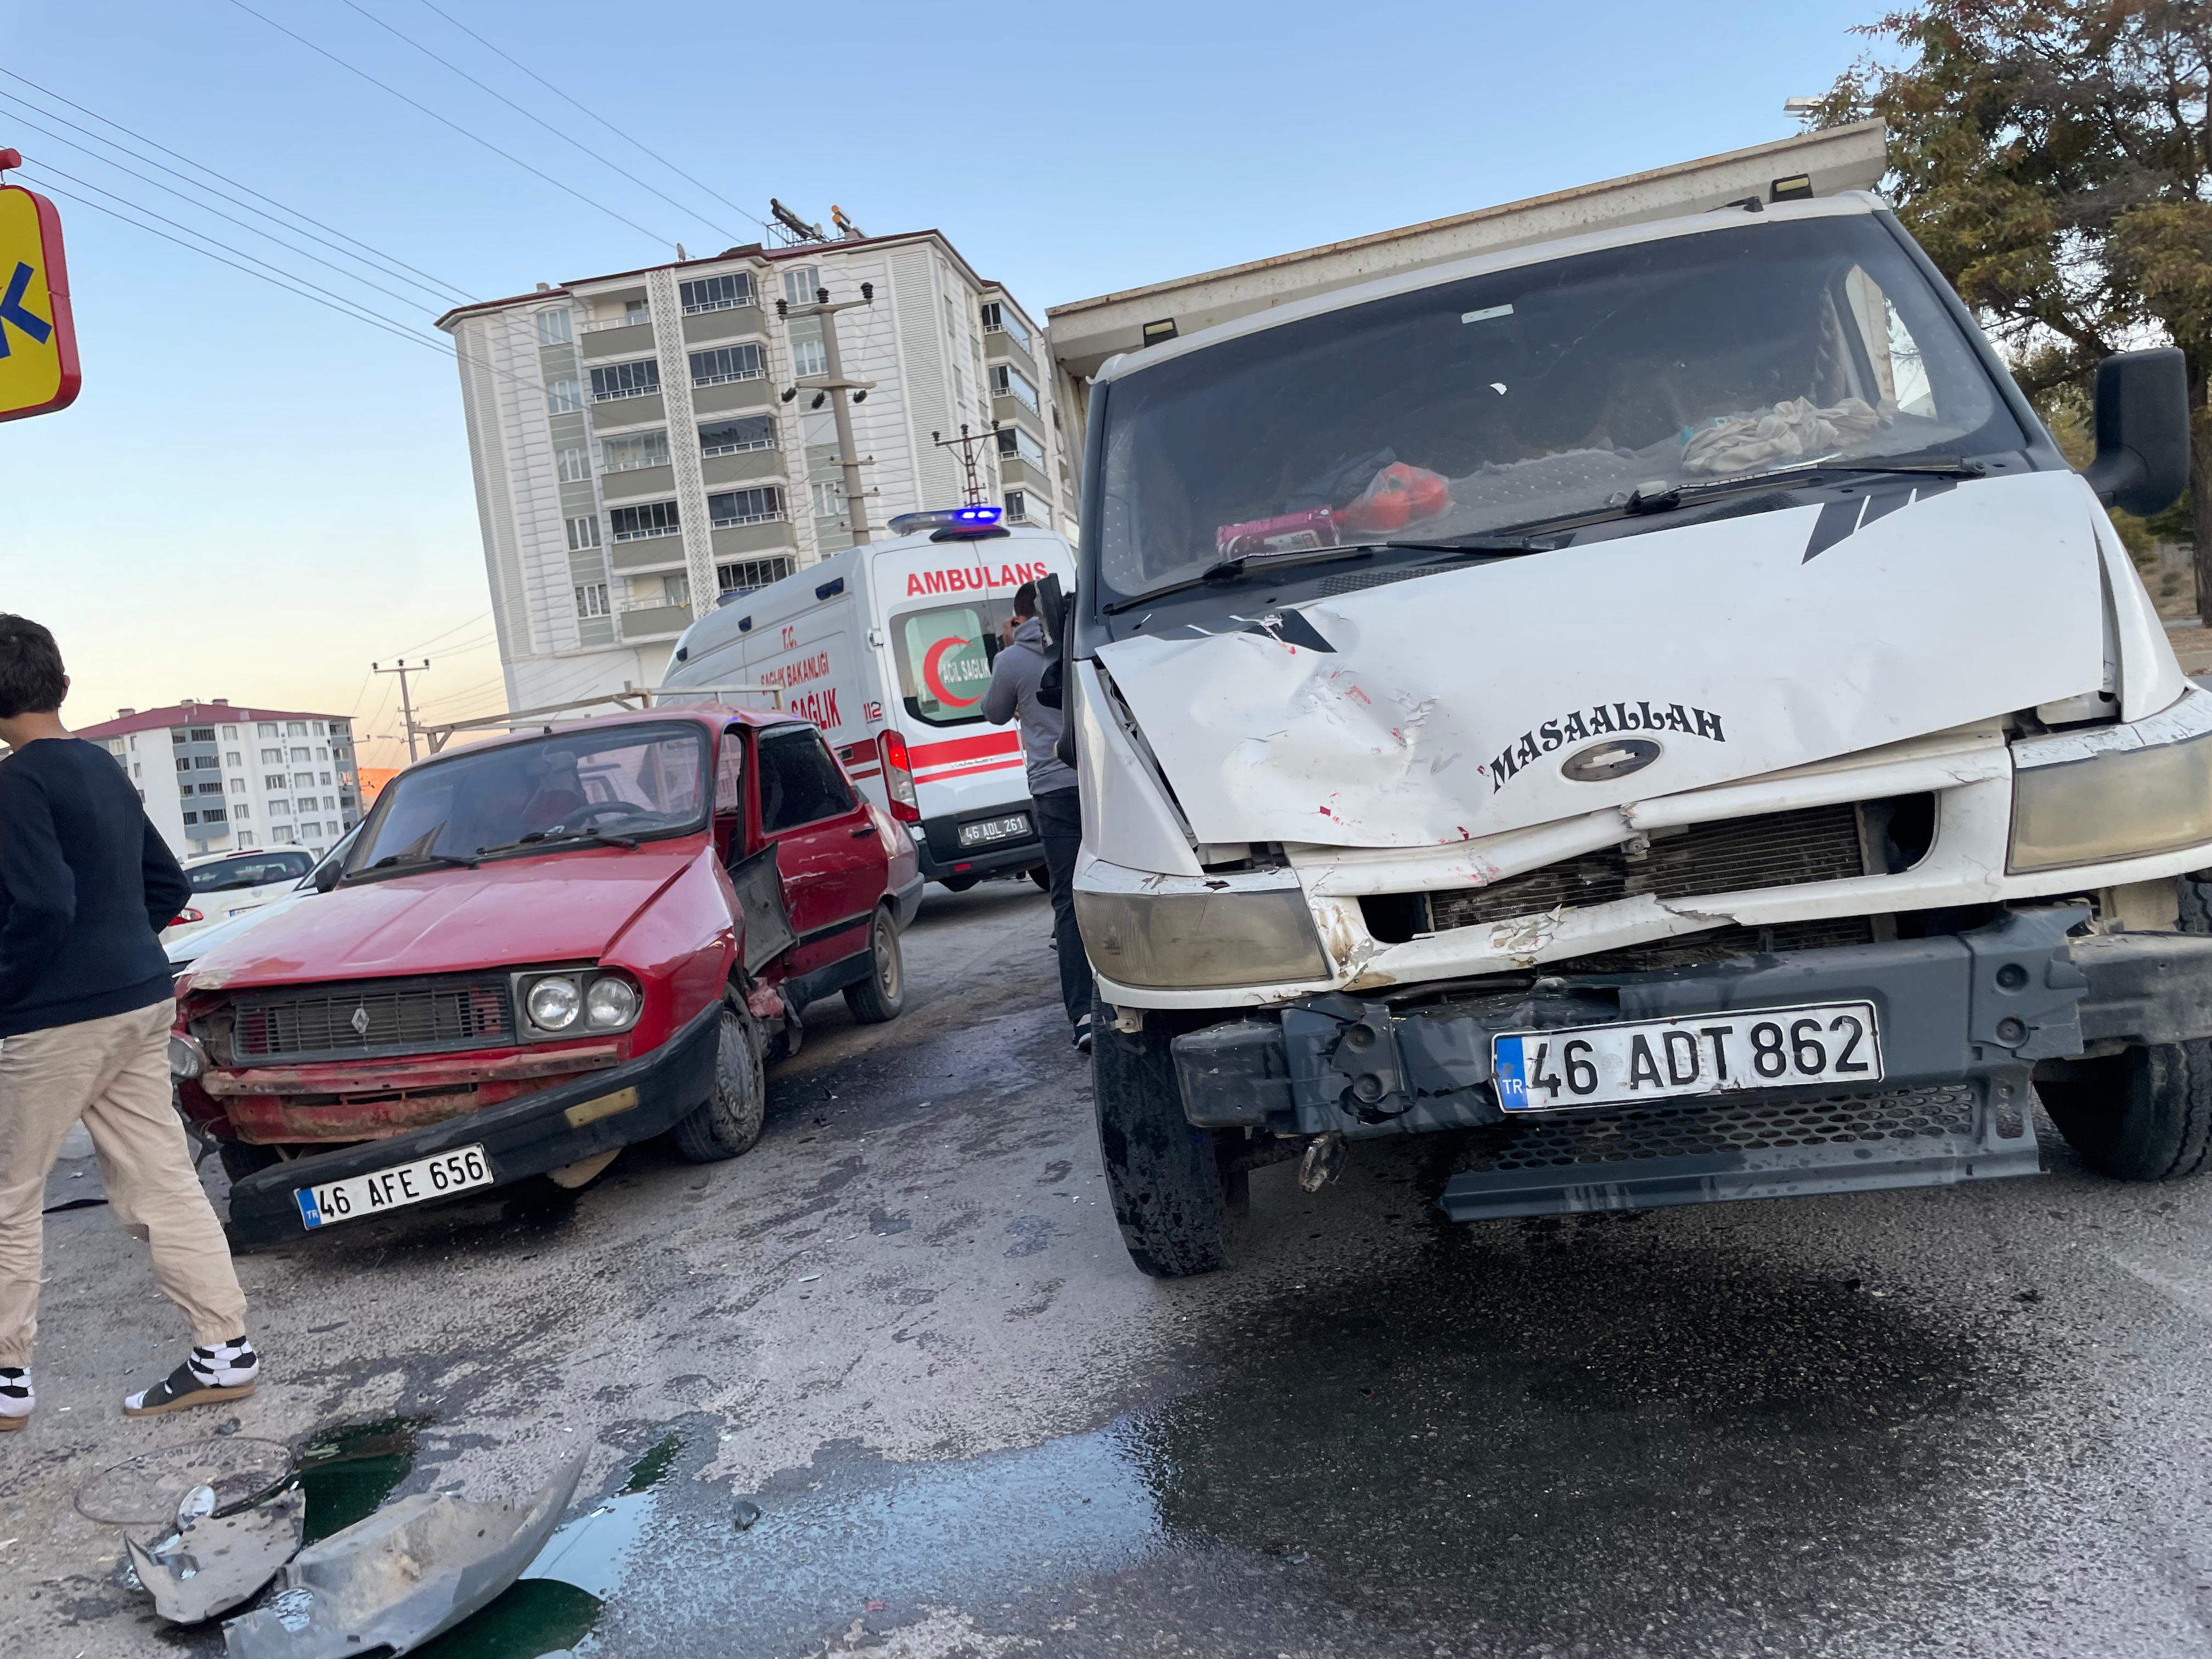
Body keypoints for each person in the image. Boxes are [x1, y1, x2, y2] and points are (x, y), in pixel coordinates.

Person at [0, 616, 262, 1431]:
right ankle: (225, 1352)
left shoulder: (14, 784)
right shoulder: (101, 770)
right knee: (162, 1180)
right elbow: (167, 881)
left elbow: (42, 904)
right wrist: (116, 950)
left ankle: (6, 1380)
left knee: (9, 1195)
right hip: (140, 999)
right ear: (61, 682)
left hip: (50, 1019)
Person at [983, 584, 1094, 1052]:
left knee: (1068, 902)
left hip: (1053, 790)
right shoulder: (1086, 637)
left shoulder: (1012, 661)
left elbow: (993, 714)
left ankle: (1085, 1016)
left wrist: (1009, 651)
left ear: (1019, 617)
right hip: (1101, 782)